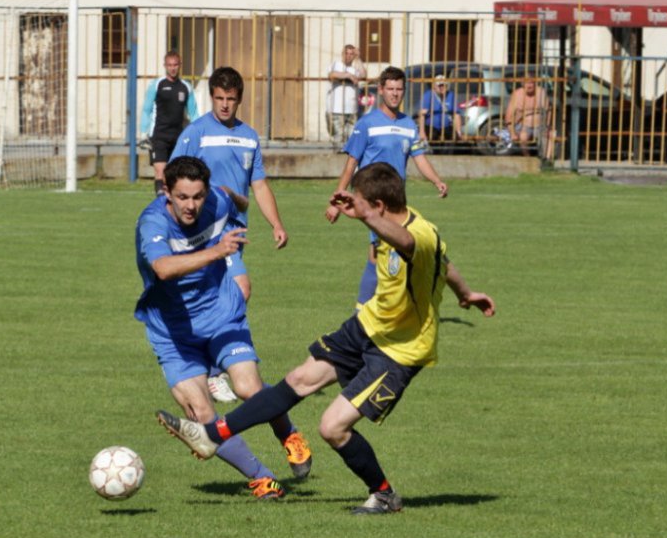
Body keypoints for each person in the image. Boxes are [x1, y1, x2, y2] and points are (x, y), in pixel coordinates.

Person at [157, 161, 496, 514]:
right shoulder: (405, 227)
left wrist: (365, 216)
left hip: (399, 350)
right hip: (368, 325)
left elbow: (411, 244)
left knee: (332, 427)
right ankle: (212, 435)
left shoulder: (417, 234)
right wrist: (466, 293)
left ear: (378, 207)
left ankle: (383, 494)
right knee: (299, 379)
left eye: (362, 202)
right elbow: (444, 263)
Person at [136, 156, 312, 497]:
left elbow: (235, 198)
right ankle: (262, 478)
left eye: (198, 196)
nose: (191, 206)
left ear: (207, 192)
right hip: (172, 332)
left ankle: (288, 433)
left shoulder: (218, 198)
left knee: (248, 388)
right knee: (201, 413)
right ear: (167, 192)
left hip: (221, 313)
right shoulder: (153, 222)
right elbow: (163, 269)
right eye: (182, 197)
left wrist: (237, 200)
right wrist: (217, 251)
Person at [171, 66, 289, 402]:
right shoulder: (196, 133)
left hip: (236, 233)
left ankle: (202, 365)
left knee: (215, 299)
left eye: (231, 99)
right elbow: (173, 180)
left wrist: (276, 223)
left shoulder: (249, 136)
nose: (224, 104)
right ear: (212, 97)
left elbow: (259, 184)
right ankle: (213, 370)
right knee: (240, 288)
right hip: (205, 234)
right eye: (219, 98)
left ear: (239, 99)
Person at [326, 65, 449, 309]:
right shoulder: (367, 124)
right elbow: (351, 164)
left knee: (387, 251)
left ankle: (378, 306)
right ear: (381, 90)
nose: (394, 94)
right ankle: (369, 308)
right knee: (382, 251)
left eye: (399, 89)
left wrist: (436, 180)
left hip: (397, 201)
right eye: (390, 89)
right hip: (373, 201)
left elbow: (419, 158)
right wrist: (337, 201)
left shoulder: (409, 125)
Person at [140, 51, 199, 195]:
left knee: (174, 176)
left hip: (178, 137)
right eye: (170, 65)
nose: (173, 68)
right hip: (159, 135)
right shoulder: (157, 85)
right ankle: (161, 202)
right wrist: (143, 132)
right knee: (160, 171)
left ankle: (172, 203)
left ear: (180, 65)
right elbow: (146, 109)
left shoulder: (186, 87)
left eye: (175, 65)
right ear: (165, 66)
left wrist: (199, 133)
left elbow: (193, 114)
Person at [327, 44, 366, 151]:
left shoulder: (355, 68)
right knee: (339, 141)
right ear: (342, 54)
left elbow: (363, 75)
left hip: (352, 110)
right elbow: (332, 75)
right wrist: (348, 75)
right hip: (337, 110)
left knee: (352, 141)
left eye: (351, 54)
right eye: (346, 53)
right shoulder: (336, 64)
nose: (348, 56)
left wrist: (358, 58)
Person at [504, 76, 551, 158]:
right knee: (523, 137)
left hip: (540, 124)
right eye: (526, 83)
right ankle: (527, 157)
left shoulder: (541, 92)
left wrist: (548, 125)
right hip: (523, 125)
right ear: (523, 84)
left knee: (551, 135)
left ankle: (546, 159)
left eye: (531, 83)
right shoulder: (517, 94)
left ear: (535, 84)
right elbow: (509, 115)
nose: (529, 86)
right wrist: (512, 133)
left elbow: (549, 110)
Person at [418, 74, 463, 152]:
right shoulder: (428, 95)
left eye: (444, 85)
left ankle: (448, 156)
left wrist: (458, 131)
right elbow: (422, 114)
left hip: (446, 126)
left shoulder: (451, 95)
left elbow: (456, 114)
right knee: (432, 135)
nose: (442, 87)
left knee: (452, 137)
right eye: (440, 85)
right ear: (434, 86)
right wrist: (421, 132)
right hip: (431, 126)